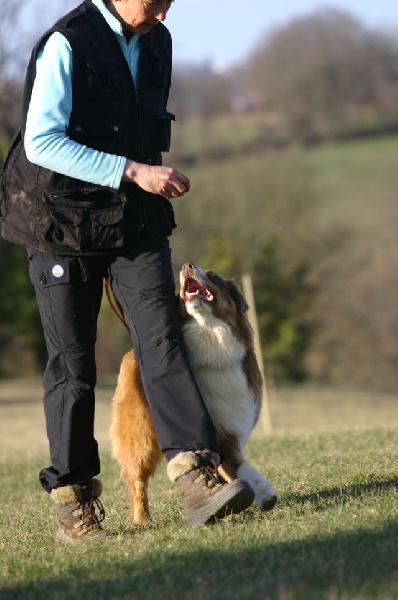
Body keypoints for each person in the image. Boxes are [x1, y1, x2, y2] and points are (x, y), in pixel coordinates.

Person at [0, 0, 255, 543]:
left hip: (133, 222)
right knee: (73, 366)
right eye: (155, 1)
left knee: (162, 341)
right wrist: (135, 170)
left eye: (170, 2)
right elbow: (43, 141)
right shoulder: (66, 42)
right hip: (59, 223)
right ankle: (75, 503)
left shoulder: (156, 39)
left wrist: (149, 175)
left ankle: (196, 475)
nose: (163, 15)